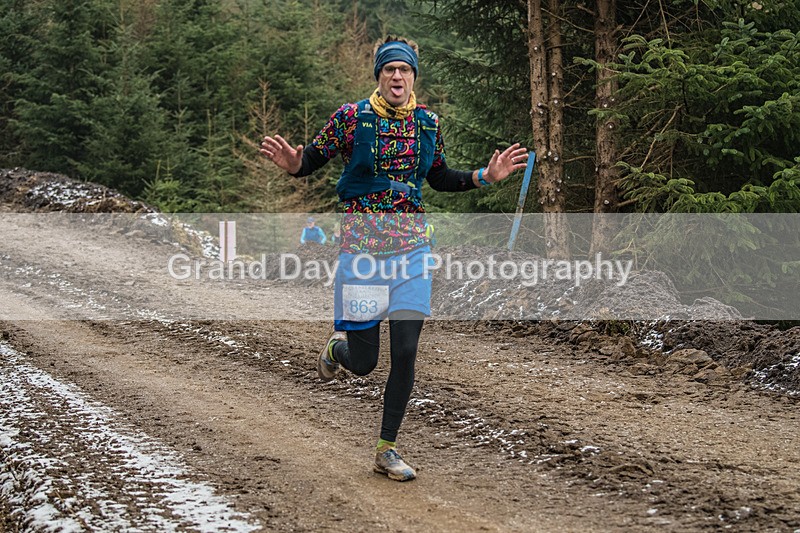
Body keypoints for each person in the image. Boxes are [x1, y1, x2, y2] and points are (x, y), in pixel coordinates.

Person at [260, 35, 528, 482]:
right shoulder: (350, 118)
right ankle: (337, 347)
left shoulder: (427, 123)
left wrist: (485, 176)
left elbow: (439, 177)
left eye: (404, 70)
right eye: (390, 70)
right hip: (363, 257)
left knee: (405, 352)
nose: (397, 76)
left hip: (411, 253)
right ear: (379, 76)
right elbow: (310, 159)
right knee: (364, 363)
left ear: (413, 76)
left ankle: (387, 448)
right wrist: (293, 164)